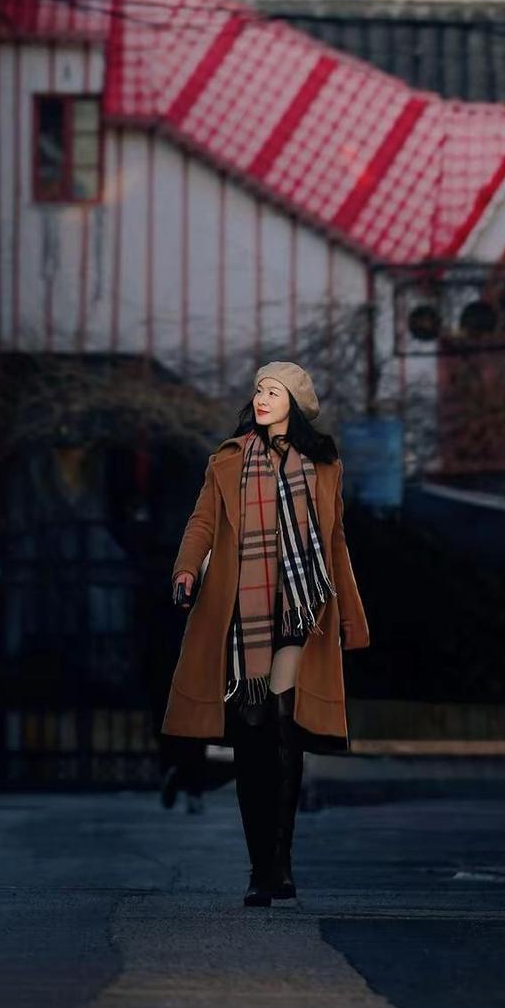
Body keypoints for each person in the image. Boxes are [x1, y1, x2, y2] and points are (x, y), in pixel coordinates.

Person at [163, 361, 370, 908]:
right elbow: (202, 523)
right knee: (253, 732)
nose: (261, 398)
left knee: (281, 722)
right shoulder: (227, 461)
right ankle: (263, 865)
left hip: (300, 610)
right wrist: (186, 569)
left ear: (294, 403)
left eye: (273, 391)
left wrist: (351, 614)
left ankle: (278, 864)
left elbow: (337, 543)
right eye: (257, 388)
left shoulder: (323, 467)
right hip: (241, 611)